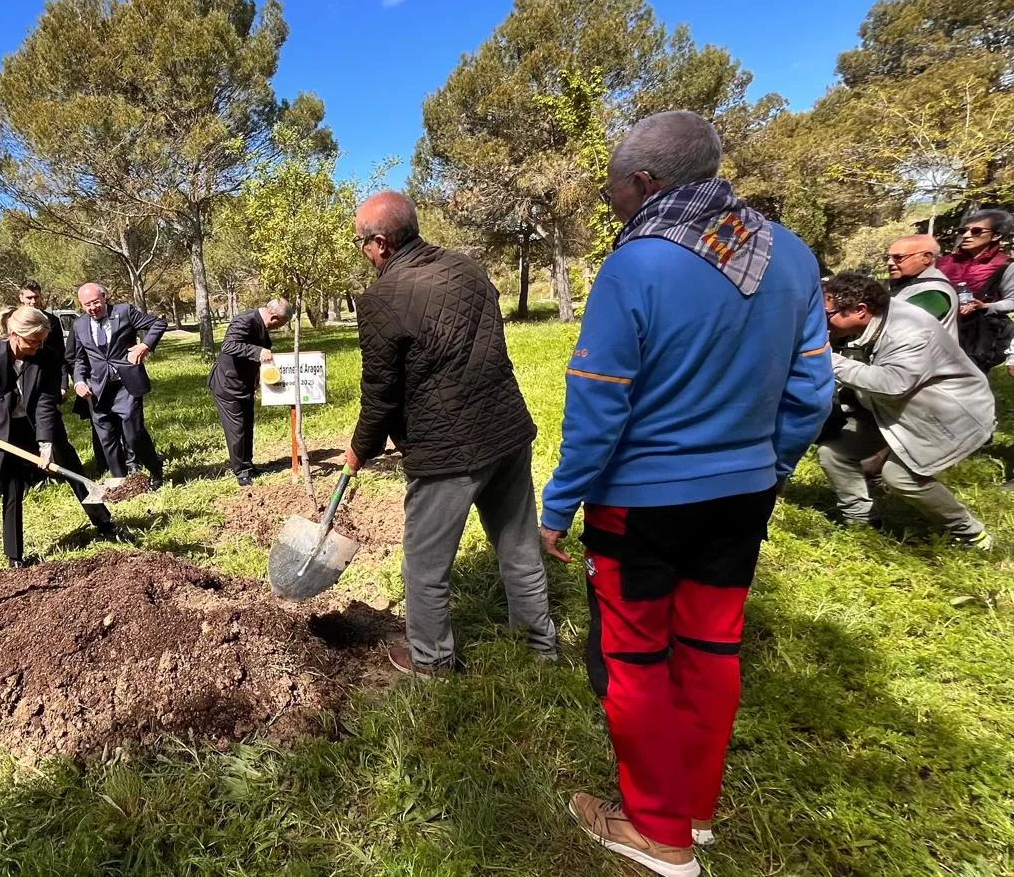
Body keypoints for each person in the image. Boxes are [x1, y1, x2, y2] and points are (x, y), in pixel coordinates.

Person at [538, 111, 832, 876]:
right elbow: (811, 391)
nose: (608, 200)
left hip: (640, 506)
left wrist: (558, 506)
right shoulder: (791, 253)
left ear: (645, 182)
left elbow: (598, 406)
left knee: (634, 660)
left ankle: (658, 832)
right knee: (710, 648)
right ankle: (696, 809)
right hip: (744, 495)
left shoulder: (635, 263)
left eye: (610, 187)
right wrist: (770, 468)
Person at [344, 190, 560, 678]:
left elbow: (380, 395)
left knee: (425, 567)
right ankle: (541, 648)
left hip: (447, 452)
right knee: (520, 549)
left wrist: (359, 450)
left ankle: (432, 661)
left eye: (362, 243)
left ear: (381, 243)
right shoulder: (467, 267)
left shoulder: (380, 300)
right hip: (507, 431)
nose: (363, 252)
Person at [818, 272, 994, 549]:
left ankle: (971, 534)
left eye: (828, 314)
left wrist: (827, 359)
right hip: (894, 411)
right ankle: (861, 522)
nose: (822, 320)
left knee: (901, 477)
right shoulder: (872, 323)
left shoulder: (910, 331)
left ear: (860, 310)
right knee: (834, 453)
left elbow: (893, 384)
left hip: (946, 415)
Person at [0, 305, 131, 567]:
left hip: (42, 422)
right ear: (14, 335)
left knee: (73, 472)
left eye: (42, 340)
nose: (38, 346)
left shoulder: (48, 356)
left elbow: (45, 402)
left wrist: (45, 443)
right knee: (12, 488)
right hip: (5, 428)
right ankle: (15, 556)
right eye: (33, 341)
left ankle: (105, 524)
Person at [17, 279, 115, 487]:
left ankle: (64, 472)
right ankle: (36, 476)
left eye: (36, 297)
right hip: (22, 384)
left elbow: (61, 356)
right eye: (29, 297)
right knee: (25, 430)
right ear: (21, 298)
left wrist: (63, 384)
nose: (33, 301)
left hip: (47, 381)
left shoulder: (51, 321)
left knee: (53, 428)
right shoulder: (14, 321)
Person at [69, 282, 167, 489]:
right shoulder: (79, 325)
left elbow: (158, 324)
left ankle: (155, 468)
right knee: (107, 438)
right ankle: (120, 480)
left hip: (125, 385)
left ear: (104, 297)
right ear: (81, 305)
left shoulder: (124, 312)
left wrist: (144, 345)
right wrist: (78, 381)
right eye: (87, 304)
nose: (92, 308)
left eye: (95, 302)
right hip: (97, 389)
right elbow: (80, 358)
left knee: (134, 434)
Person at [209, 299, 292, 484]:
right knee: (237, 428)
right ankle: (242, 472)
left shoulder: (262, 324)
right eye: (280, 324)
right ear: (274, 317)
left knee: (246, 426)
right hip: (227, 384)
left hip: (244, 384)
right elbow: (228, 346)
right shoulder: (245, 320)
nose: (278, 328)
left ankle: (248, 465)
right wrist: (257, 351)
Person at [941, 208, 1014, 372]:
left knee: (970, 380)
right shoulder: (944, 262)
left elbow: (1012, 300)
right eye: (963, 231)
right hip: (941, 329)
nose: (967, 235)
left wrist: (986, 306)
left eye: (976, 231)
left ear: (996, 235)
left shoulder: (1005, 265)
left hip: (977, 337)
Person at [885, 234, 957, 340]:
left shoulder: (934, 292)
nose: (889, 263)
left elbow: (896, 327)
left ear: (926, 258)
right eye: (888, 257)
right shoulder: (900, 282)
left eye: (898, 258)